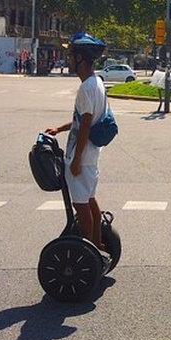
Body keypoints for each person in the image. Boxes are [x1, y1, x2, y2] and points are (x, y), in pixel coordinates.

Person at [45, 33, 110, 254]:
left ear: (81, 58)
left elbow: (86, 125)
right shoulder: (97, 82)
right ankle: (99, 246)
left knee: (81, 206)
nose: (68, 60)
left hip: (83, 156)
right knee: (90, 201)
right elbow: (81, 120)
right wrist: (59, 129)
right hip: (92, 154)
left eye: (71, 56)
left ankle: (90, 251)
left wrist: (76, 159)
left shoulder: (86, 88)